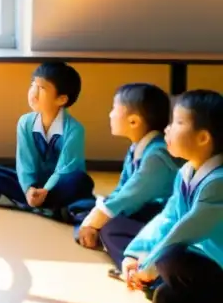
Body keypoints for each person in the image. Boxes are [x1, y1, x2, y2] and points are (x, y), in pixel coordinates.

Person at [121, 90, 223, 303]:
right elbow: (168, 217)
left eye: (177, 122)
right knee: (163, 258)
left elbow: (185, 230)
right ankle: (177, 289)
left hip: (216, 259)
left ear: (203, 137)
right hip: (200, 253)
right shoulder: (186, 171)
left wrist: (148, 267)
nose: (167, 129)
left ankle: (182, 289)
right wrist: (135, 253)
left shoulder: (218, 182)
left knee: (169, 260)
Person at [75, 84, 179, 267]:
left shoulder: (157, 155)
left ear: (133, 121)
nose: (110, 114)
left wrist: (94, 221)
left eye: (114, 108)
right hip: (142, 208)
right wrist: (95, 216)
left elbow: (128, 196)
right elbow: (121, 189)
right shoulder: (137, 148)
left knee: (110, 226)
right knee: (92, 207)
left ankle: (136, 267)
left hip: (163, 219)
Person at [0, 62, 93, 221]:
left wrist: (46, 190)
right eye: (33, 85)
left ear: (61, 99)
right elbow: (25, 162)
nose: (33, 93)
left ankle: (35, 205)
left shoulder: (74, 129)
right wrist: (28, 189)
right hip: (35, 185)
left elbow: (65, 169)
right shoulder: (25, 122)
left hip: (59, 186)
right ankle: (50, 209)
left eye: (42, 88)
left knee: (81, 182)